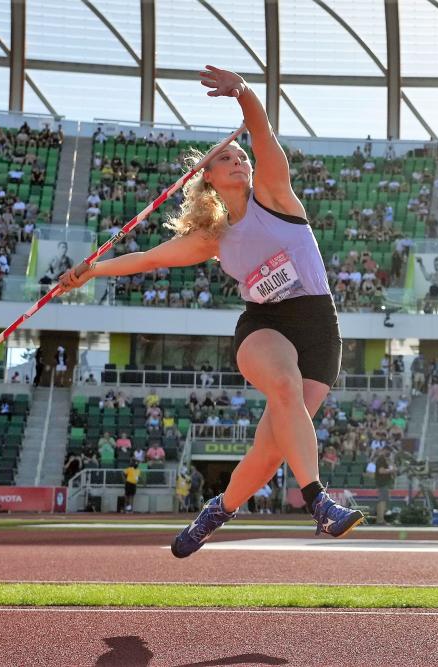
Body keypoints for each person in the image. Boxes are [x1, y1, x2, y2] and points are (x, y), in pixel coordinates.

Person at [59, 65, 363, 557]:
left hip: (321, 328)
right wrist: (91, 271)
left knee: (269, 451)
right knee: (283, 383)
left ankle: (215, 511)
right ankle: (320, 503)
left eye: (241, 155)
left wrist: (243, 93)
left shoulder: (275, 194)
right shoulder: (213, 238)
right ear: (208, 178)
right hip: (266, 326)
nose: (240, 160)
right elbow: (150, 259)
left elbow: (262, 133)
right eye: (228, 157)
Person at [374, 447, 396, 525]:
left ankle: (380, 519)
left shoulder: (385, 459)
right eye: (388, 451)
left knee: (382, 501)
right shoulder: (381, 459)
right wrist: (391, 470)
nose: (389, 453)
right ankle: (380, 520)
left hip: (384, 483)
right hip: (383, 483)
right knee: (382, 501)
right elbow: (381, 470)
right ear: (384, 450)